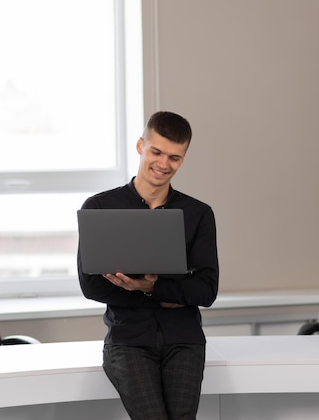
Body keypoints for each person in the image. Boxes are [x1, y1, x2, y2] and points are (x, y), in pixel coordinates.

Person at [77, 111, 219, 420]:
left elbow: (207, 290)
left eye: (175, 157)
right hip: (128, 341)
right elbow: (91, 285)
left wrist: (148, 287)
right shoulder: (100, 208)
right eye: (156, 152)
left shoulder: (198, 214)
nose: (164, 164)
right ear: (141, 145)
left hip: (184, 339)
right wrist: (166, 294)